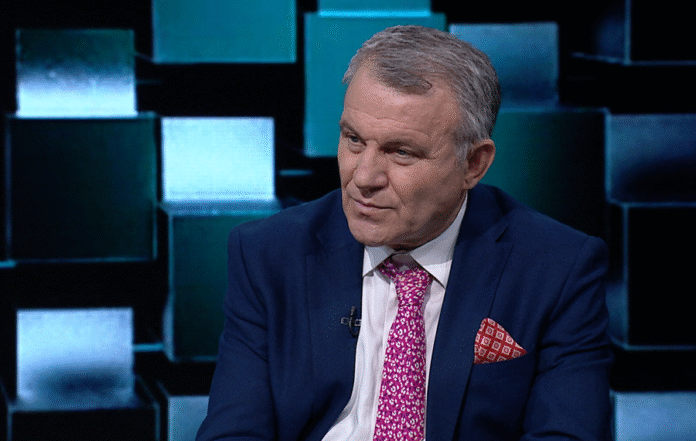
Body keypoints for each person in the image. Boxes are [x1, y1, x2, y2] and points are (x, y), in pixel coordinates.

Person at [196, 25, 612, 441]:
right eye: (353, 140)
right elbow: (233, 433)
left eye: (401, 152)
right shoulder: (267, 255)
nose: (364, 177)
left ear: (474, 164)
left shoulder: (558, 270)